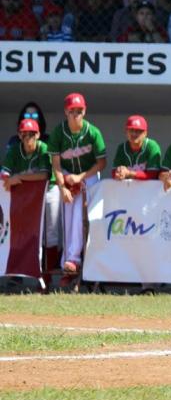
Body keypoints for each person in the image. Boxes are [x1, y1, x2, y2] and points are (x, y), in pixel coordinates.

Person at [48, 93, 106, 283]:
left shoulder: (92, 132)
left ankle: (74, 259)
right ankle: (69, 262)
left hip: (87, 175)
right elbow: (55, 163)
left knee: (80, 210)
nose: (75, 114)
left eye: (79, 111)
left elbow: (101, 163)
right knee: (67, 213)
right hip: (66, 175)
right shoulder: (59, 132)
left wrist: (80, 177)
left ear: (84, 111)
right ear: (66, 111)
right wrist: (62, 186)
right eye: (72, 111)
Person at [1, 118, 54, 281]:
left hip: (47, 193)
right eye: (25, 134)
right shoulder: (15, 150)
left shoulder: (44, 148)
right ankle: (17, 273)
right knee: (19, 233)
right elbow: (4, 173)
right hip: (25, 197)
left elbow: (44, 175)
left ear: (38, 135)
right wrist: (8, 177)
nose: (28, 137)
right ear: (19, 135)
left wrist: (19, 177)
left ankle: (46, 277)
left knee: (49, 234)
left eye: (32, 134)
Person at [111, 115, 162, 182]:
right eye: (131, 130)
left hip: (149, 190)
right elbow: (114, 172)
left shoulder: (152, 146)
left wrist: (129, 173)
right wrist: (119, 172)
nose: (134, 134)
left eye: (138, 131)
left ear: (145, 133)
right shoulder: (122, 148)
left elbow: (153, 175)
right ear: (126, 132)